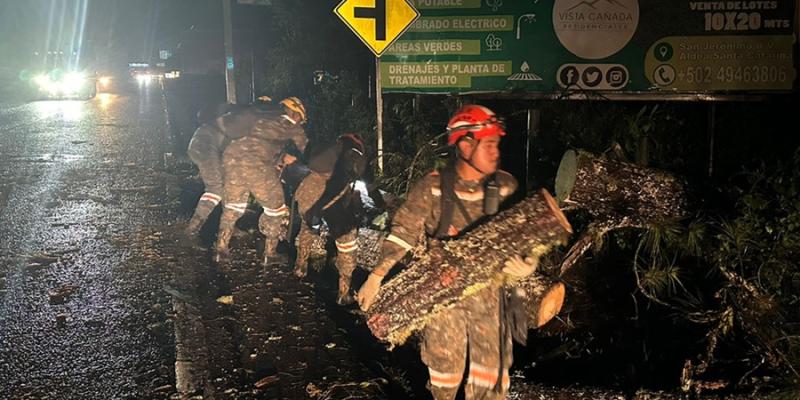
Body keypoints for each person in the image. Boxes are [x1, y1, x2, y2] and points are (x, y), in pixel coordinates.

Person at [356, 104, 538, 399]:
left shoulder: (506, 186)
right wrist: (376, 276)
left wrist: (529, 263)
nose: (496, 152)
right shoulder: (433, 187)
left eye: (497, 144)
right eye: (489, 144)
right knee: (444, 377)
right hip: (443, 297)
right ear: (465, 145)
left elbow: (526, 233)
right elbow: (403, 232)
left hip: (491, 300)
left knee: (490, 383)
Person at [215, 97, 309, 265]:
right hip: (255, 167)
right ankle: (269, 254)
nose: (301, 123)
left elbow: (259, 144)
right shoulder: (292, 127)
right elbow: (308, 152)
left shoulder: (259, 119)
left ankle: (220, 250)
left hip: (231, 160)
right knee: (277, 209)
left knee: (233, 207)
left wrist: (279, 158)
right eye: (301, 119)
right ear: (295, 114)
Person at [293, 133, 367, 305]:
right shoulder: (354, 154)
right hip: (332, 195)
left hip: (308, 189)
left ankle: (300, 267)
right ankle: (344, 293)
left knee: (308, 225)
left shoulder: (326, 147)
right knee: (347, 241)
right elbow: (364, 182)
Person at [185, 102, 242, 236]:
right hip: (205, 147)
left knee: (228, 186)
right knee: (215, 189)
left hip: (207, 146)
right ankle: (191, 230)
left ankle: (229, 227)